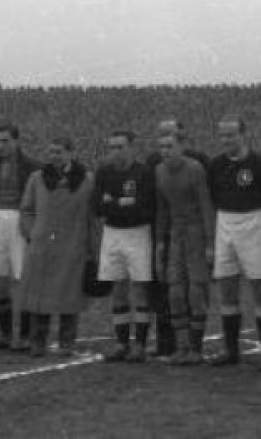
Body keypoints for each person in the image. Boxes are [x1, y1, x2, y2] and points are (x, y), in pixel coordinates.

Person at [207, 116, 261, 369]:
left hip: (255, 223)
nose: (227, 140)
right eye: (223, 135)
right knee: (226, 288)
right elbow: (212, 196)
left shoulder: (259, 164)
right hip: (225, 223)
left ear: (243, 135)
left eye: (231, 135)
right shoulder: (216, 165)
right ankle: (231, 350)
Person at [18, 138, 96, 357]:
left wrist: (92, 246)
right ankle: (38, 341)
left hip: (73, 246)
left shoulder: (87, 180)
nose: (54, 156)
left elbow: (93, 216)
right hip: (42, 247)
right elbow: (26, 210)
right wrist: (32, 233)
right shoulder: (37, 178)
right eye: (51, 152)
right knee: (39, 297)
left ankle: (67, 342)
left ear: (70, 153)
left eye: (59, 152)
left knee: (70, 296)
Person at [146, 118, 209, 359]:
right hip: (175, 235)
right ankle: (181, 346)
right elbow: (162, 210)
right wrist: (161, 242)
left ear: (181, 144)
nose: (165, 151)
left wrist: (210, 243)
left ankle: (196, 348)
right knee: (174, 292)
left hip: (195, 234)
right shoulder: (159, 171)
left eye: (169, 145)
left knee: (195, 291)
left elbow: (205, 206)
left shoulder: (195, 168)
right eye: (161, 147)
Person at [94, 131, 154, 363]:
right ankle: (121, 343)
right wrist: (124, 204)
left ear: (131, 148)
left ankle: (139, 344)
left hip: (138, 233)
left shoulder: (143, 173)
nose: (115, 152)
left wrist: (114, 203)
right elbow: (97, 207)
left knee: (139, 289)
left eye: (120, 147)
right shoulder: (104, 173)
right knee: (118, 289)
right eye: (112, 147)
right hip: (112, 234)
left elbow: (145, 207)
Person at [0, 124, 41, 352]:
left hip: (21, 219)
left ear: (16, 141)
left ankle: (26, 335)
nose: (0, 146)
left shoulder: (32, 167)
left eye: (5, 141)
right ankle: (4, 335)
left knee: (22, 277)